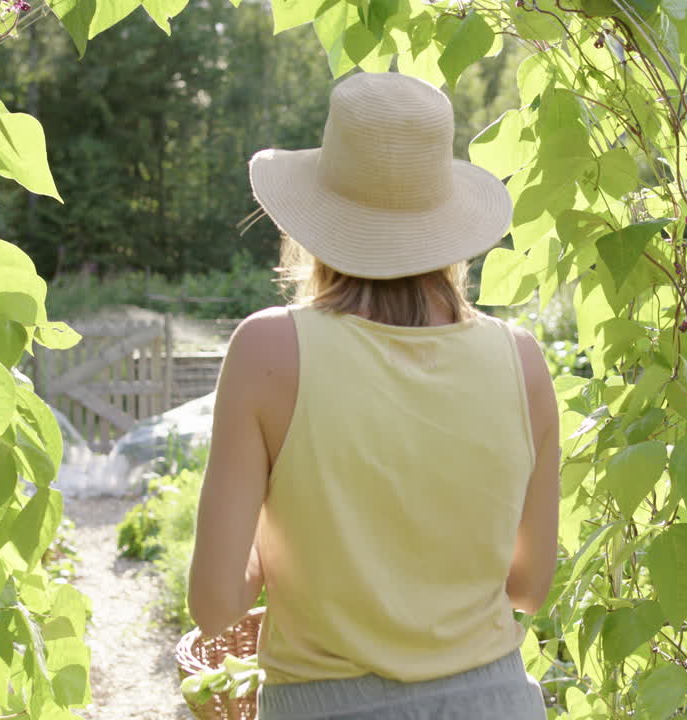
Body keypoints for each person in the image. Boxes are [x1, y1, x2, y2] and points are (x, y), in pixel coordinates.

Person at [187, 71, 559, 720]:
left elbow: (216, 606)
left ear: (315, 217)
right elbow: (529, 588)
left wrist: (283, 555)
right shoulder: (521, 361)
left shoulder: (268, 353)